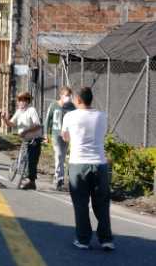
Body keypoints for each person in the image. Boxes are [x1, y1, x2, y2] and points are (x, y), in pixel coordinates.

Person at [61, 87, 114, 251]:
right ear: (91, 99)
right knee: (102, 203)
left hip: (78, 163)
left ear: (77, 100)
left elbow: (65, 136)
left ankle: (83, 240)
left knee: (81, 204)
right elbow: (102, 134)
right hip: (100, 163)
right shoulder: (102, 116)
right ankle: (106, 239)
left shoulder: (69, 116)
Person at [2, 92, 42, 190]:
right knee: (24, 159)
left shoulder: (31, 110)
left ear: (28, 101)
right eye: (19, 100)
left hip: (34, 139)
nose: (21, 102)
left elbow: (37, 125)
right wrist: (4, 119)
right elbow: (11, 123)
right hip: (25, 139)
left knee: (31, 160)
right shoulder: (19, 111)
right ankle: (26, 178)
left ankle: (31, 182)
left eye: (23, 100)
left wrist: (26, 131)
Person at [44, 86, 76, 191]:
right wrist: (45, 134)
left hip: (66, 135)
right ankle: (59, 178)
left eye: (69, 96)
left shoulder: (72, 107)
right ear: (61, 96)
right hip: (56, 134)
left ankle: (60, 178)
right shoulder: (54, 105)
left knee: (63, 157)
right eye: (66, 95)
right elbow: (48, 119)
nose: (68, 97)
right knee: (59, 155)